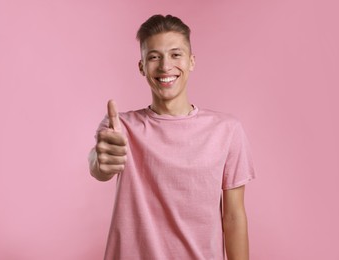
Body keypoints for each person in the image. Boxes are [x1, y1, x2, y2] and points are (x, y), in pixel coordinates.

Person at [89, 14, 256, 260]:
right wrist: (100, 163)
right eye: (154, 57)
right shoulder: (120, 126)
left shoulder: (226, 130)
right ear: (142, 67)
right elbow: (99, 163)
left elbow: (233, 216)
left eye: (175, 54)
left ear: (191, 61)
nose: (165, 66)